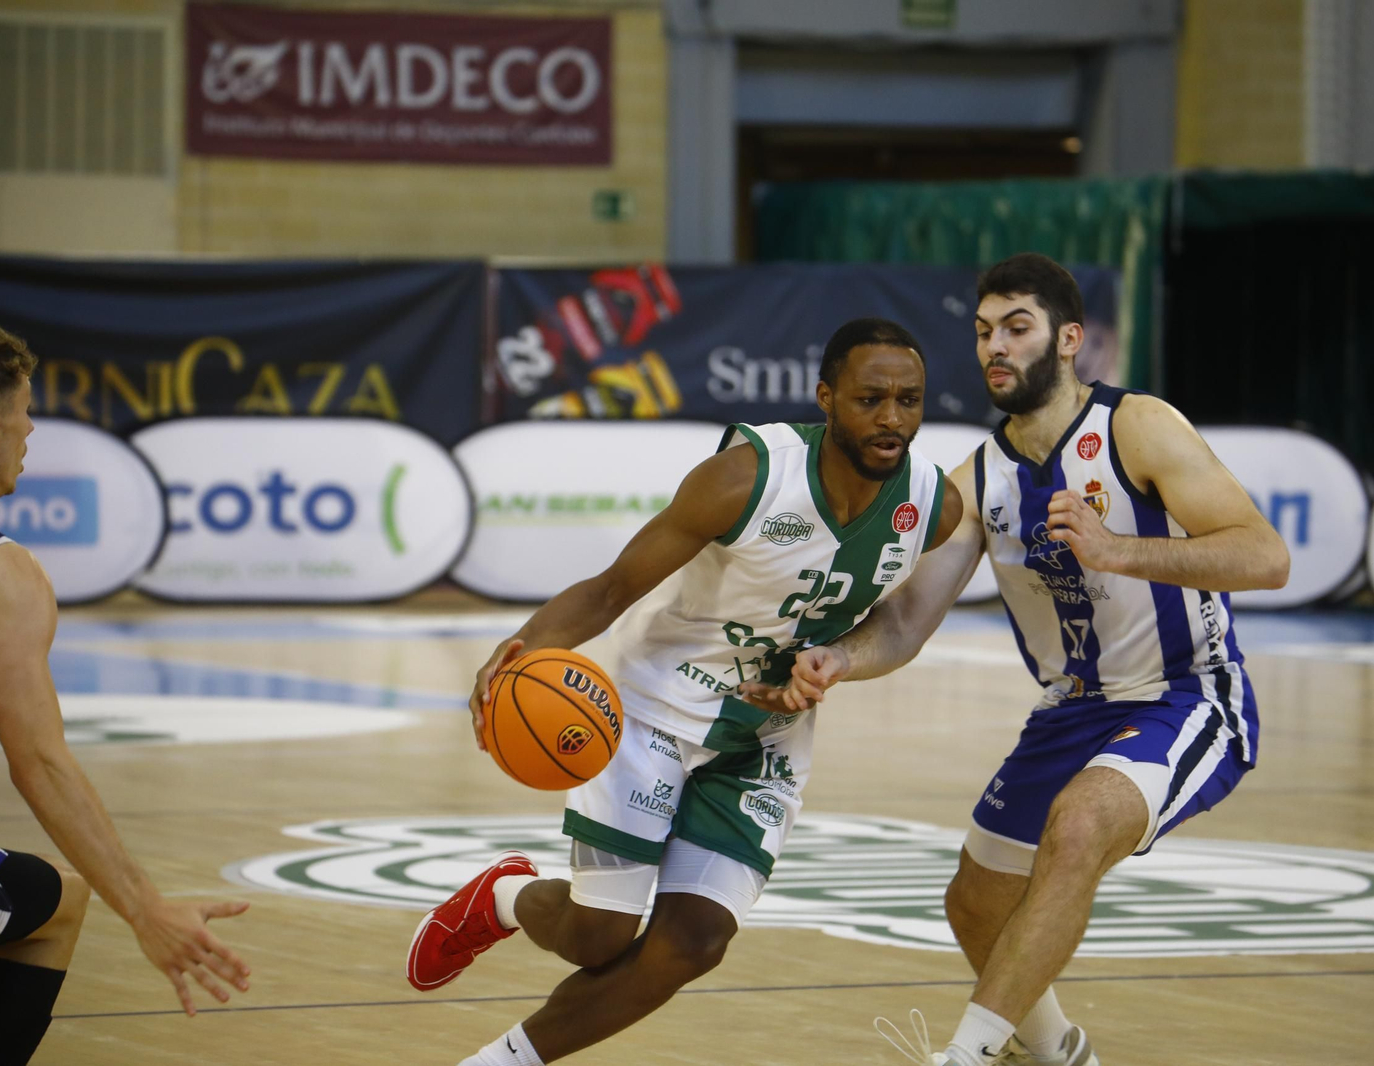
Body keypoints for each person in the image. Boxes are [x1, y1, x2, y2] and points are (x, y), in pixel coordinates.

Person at [756, 255, 1289, 1066]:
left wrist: (1118, 549)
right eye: (981, 333)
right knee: (974, 905)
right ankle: (1058, 1054)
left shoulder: (1137, 426)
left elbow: (1265, 556)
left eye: (1016, 328)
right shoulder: (976, 478)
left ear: (1070, 339)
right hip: (1070, 709)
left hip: (1185, 696)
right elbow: (904, 622)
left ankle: (964, 1055)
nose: (994, 348)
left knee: (1079, 822)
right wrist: (836, 658)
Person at [405, 317, 964, 1066]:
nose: (892, 418)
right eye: (870, 399)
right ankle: (504, 896)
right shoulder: (744, 479)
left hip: (764, 737)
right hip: (653, 710)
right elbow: (611, 590)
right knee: (597, 936)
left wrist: (837, 658)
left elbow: (895, 626)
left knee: (695, 940)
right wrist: (518, 654)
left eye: (909, 399)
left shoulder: (932, 507)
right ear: (826, 398)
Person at [0, 318, 252, 1066]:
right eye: (24, 412)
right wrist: (147, 910)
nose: (30, 430)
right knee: (57, 906)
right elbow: (40, 764)